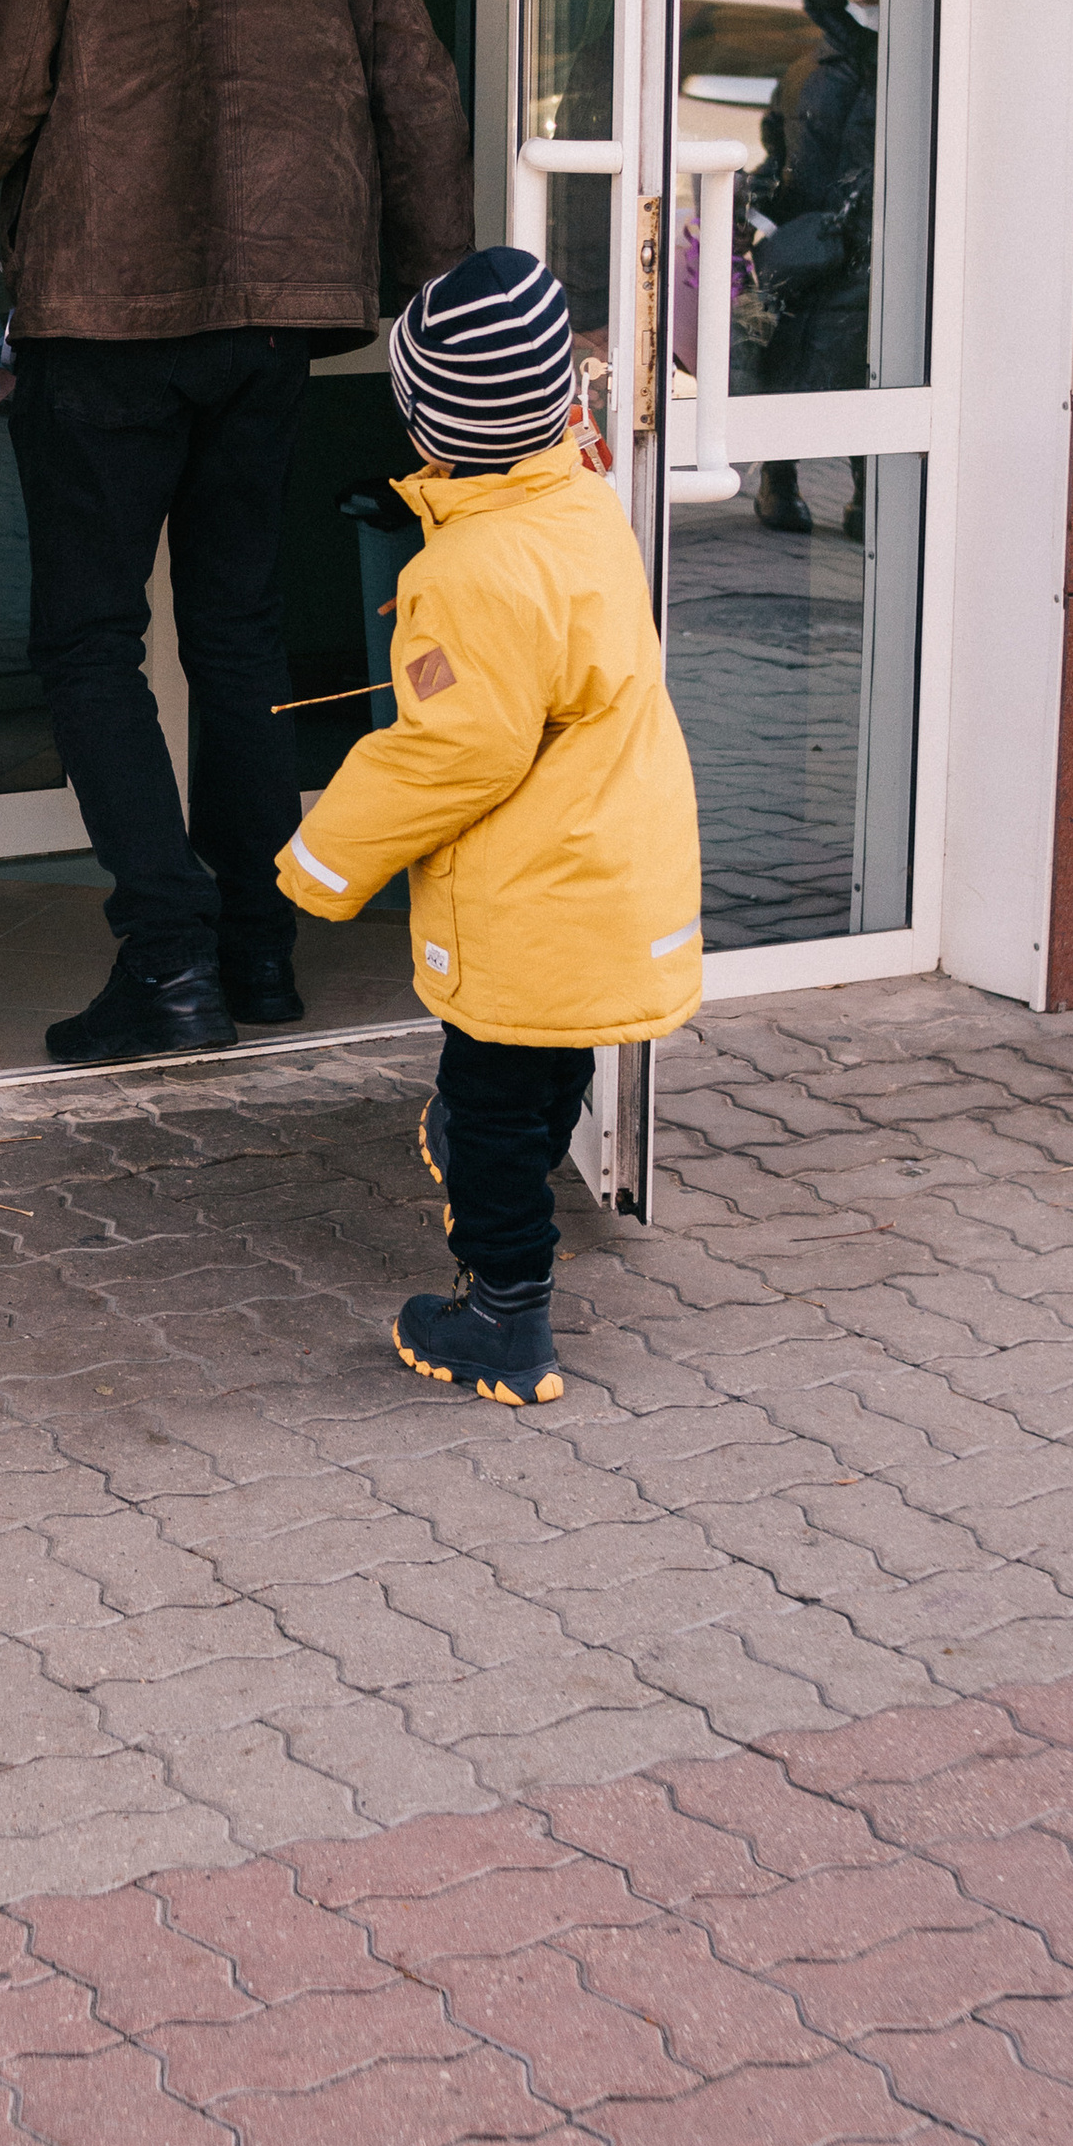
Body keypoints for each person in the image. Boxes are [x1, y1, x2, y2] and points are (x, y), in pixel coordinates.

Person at [0, 0, 473, 1066]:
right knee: (231, 634)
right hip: (276, 321)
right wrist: (434, 311)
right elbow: (419, 91)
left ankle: (164, 958)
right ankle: (260, 949)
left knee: (92, 640)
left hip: (103, 316)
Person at [278, 247, 703, 1405]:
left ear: (426, 426)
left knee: (493, 1106)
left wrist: (322, 859)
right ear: (559, 401)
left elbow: (453, 751)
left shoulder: (469, 567)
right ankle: (486, 1177)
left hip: (534, 896)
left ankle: (504, 1316)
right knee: (541, 1073)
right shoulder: (577, 502)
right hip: (612, 869)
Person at [748, 0, 878, 539]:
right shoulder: (809, 67)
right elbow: (781, 148)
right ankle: (781, 482)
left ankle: (864, 495)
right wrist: (758, 205)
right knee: (790, 361)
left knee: (866, 367)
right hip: (806, 246)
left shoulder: (920, 65)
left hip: (874, 250)